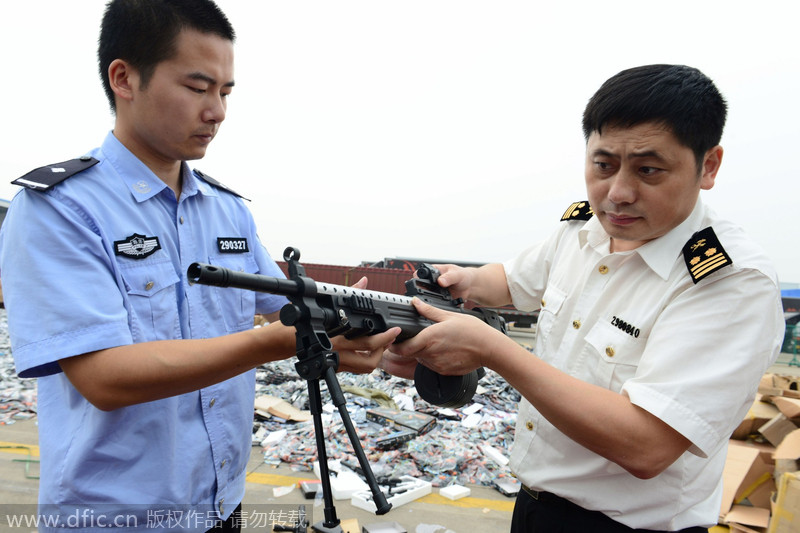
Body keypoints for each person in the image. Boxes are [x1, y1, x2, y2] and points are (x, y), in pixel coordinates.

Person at [0, 1, 399, 531]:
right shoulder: (60, 209)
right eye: (197, 87)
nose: (217, 111)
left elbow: (283, 302)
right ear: (124, 78)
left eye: (226, 92)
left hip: (219, 508)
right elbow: (104, 377)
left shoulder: (227, 210)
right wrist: (283, 340)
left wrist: (358, 317)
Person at [382, 64, 784, 532]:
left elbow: (647, 444)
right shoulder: (583, 232)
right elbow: (511, 281)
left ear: (708, 166)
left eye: (648, 170)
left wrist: (493, 351)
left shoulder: (729, 282)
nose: (617, 193)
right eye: (603, 165)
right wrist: (458, 285)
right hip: (533, 507)